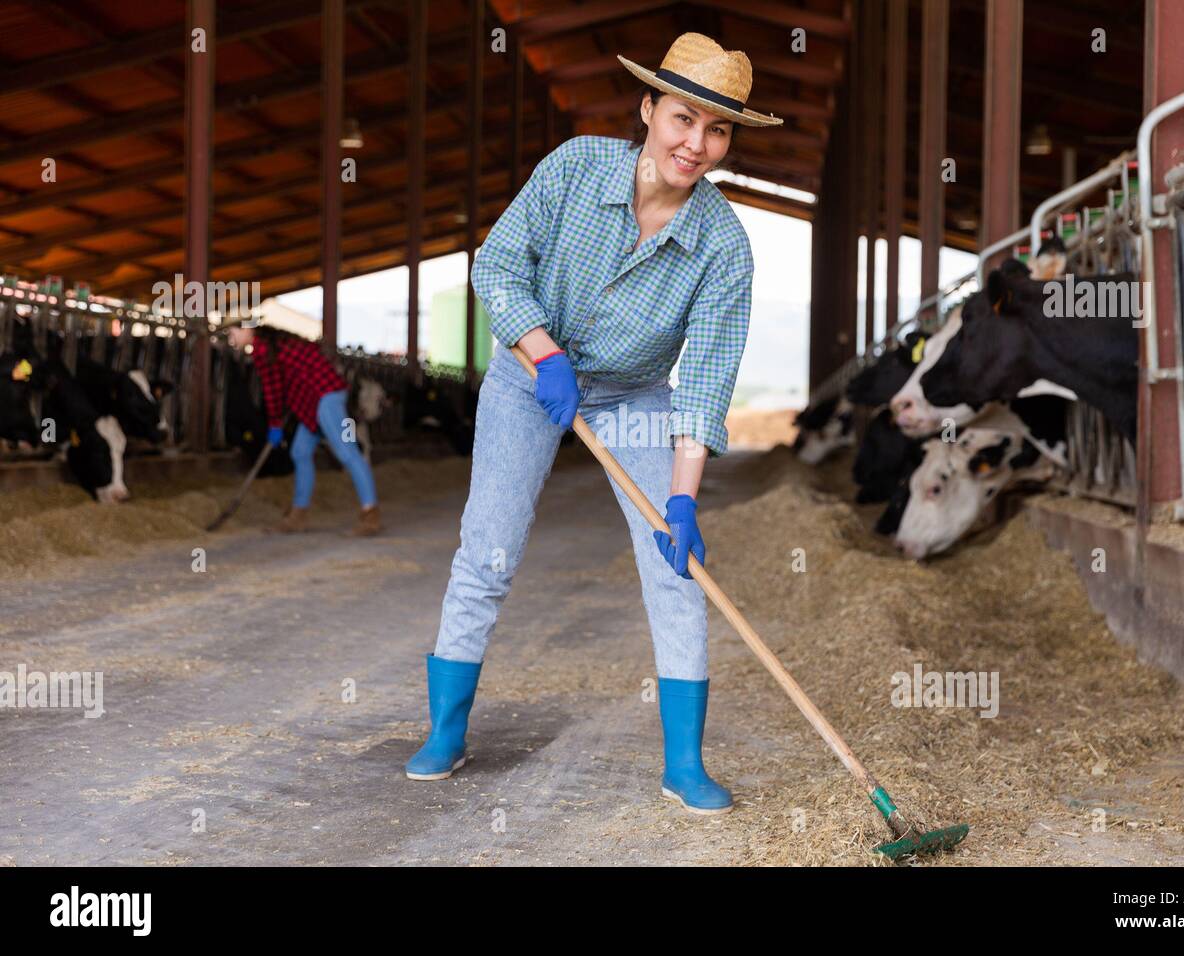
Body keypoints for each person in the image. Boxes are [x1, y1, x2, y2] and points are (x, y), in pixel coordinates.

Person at [405, 33, 782, 814]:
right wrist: (545, 356)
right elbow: (497, 265)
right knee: (490, 548)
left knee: (674, 566)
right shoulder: (575, 169)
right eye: (684, 119)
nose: (697, 144)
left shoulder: (724, 248)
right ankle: (446, 729)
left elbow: (705, 384)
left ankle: (684, 764)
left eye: (718, 131)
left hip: (634, 398)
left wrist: (682, 501)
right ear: (647, 109)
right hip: (526, 374)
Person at [223, 319, 382, 536]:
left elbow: (273, 391)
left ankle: (370, 513)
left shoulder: (263, 349)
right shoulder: (274, 343)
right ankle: (299, 515)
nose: (230, 340)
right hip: (311, 403)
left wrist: (275, 424)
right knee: (300, 452)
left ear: (247, 329)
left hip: (327, 398)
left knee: (347, 452)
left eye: (232, 333)